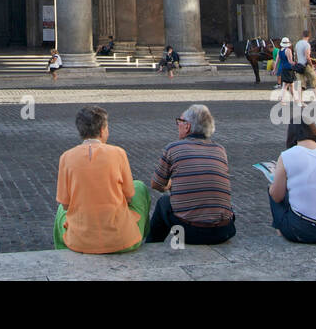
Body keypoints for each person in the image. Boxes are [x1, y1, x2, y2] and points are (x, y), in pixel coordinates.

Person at [54, 105, 150, 253]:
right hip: (122, 240)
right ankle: (141, 233)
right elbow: (130, 197)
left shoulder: (66, 157)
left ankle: (61, 248)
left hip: (80, 243)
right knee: (139, 187)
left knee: (61, 209)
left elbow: (65, 205)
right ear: (102, 130)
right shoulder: (118, 153)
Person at [148, 104, 236, 245]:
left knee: (164, 202)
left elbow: (156, 184)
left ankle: (152, 244)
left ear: (187, 126)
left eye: (180, 121)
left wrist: (169, 186)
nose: (178, 125)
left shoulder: (173, 148)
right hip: (224, 230)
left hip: (191, 233)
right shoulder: (220, 150)